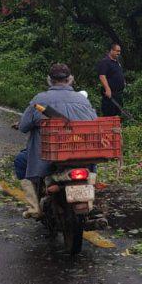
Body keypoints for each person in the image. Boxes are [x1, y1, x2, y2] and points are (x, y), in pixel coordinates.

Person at [16, 63, 97, 217]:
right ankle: (91, 201)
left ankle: (34, 207)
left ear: (49, 80)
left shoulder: (40, 100)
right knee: (90, 163)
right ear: (70, 79)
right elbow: (94, 123)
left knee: (20, 161)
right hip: (80, 155)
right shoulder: (82, 100)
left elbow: (24, 127)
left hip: (47, 157)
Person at [96, 43, 126, 118]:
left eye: (119, 51)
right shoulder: (105, 62)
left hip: (118, 94)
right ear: (111, 50)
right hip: (110, 95)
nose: (118, 53)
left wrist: (123, 82)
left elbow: (118, 74)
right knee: (109, 116)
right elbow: (102, 76)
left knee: (118, 116)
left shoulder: (117, 62)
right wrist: (107, 89)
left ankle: (117, 129)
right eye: (117, 51)